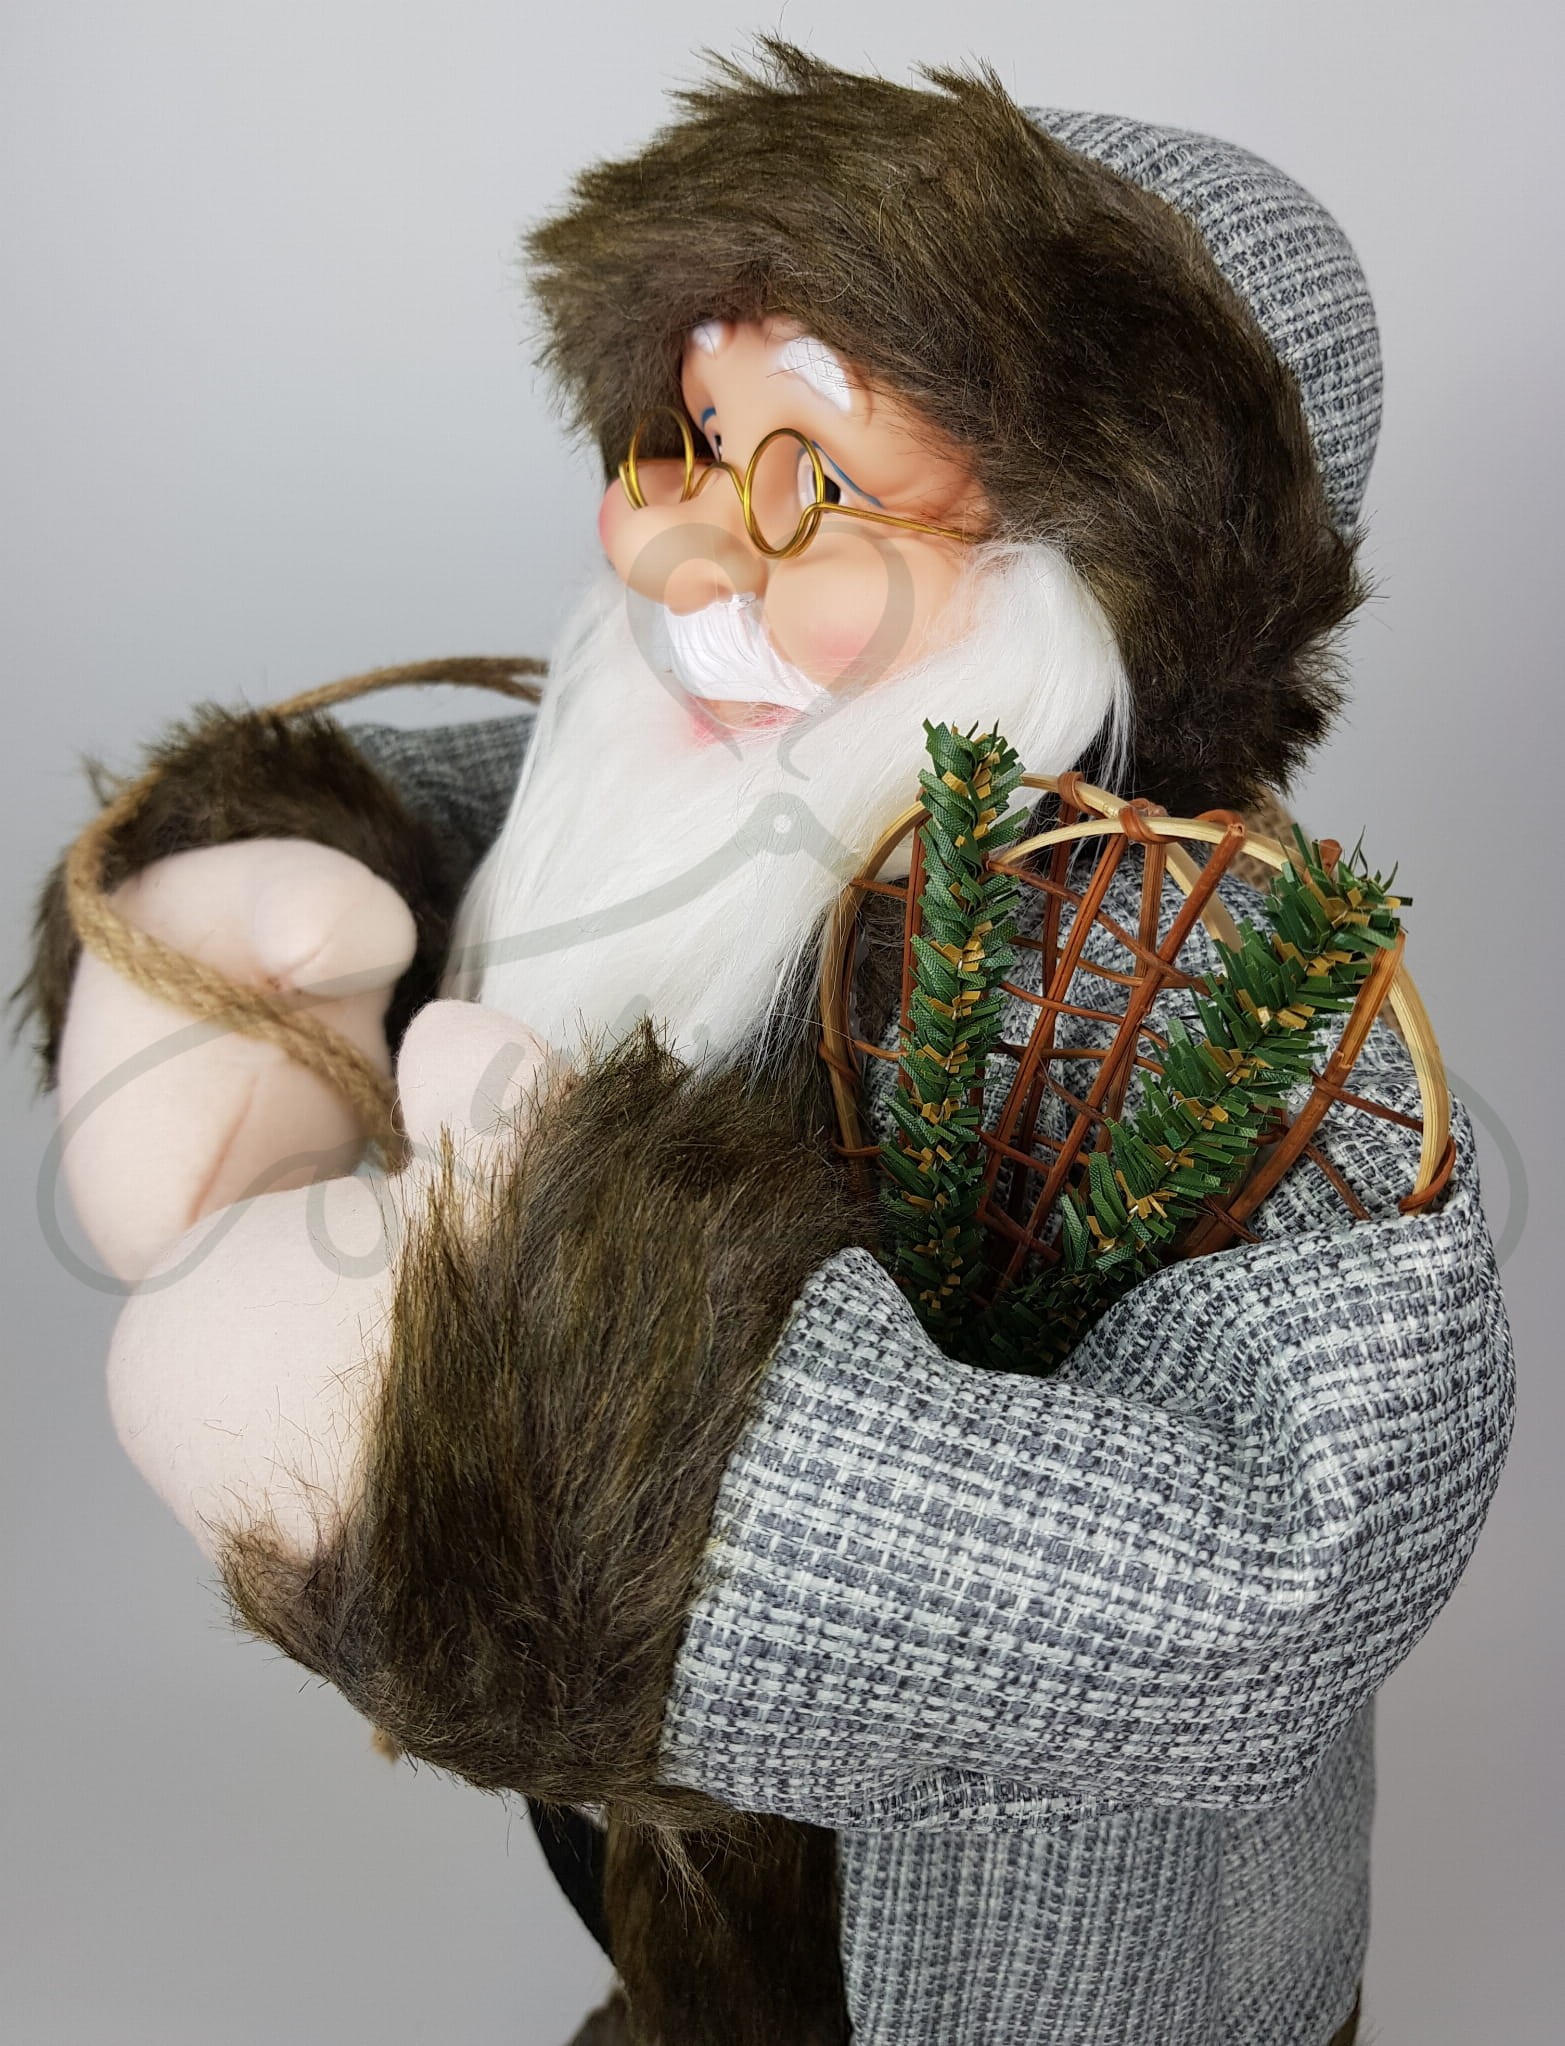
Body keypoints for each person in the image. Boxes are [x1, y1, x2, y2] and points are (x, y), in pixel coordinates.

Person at [18, 47, 1513, 2046]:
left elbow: (1290, 1567)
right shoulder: (736, 767)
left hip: (1028, 1972)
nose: (677, 563)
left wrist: (578, 1421)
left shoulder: (1213, 1001)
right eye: (683, 442)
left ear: (1098, 566)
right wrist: (262, 902)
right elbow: (535, 827)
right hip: (672, 1865)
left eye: (807, 482)